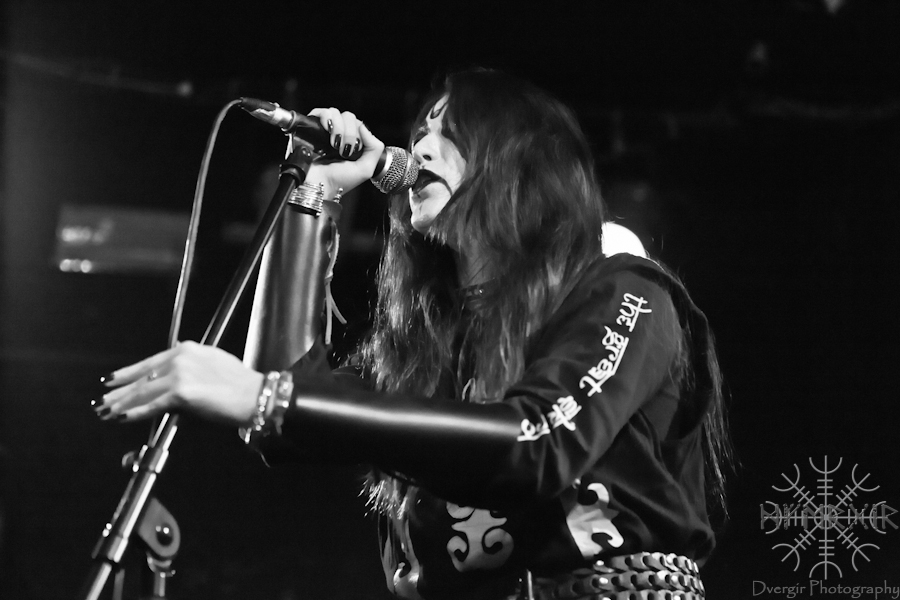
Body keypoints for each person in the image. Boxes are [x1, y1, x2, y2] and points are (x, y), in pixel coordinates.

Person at [96, 69, 729, 600]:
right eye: (421, 130)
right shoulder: (427, 343)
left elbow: (540, 441)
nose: (421, 146)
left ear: (521, 160)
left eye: (450, 131)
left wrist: (270, 399)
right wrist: (313, 190)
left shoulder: (626, 290)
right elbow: (280, 415)